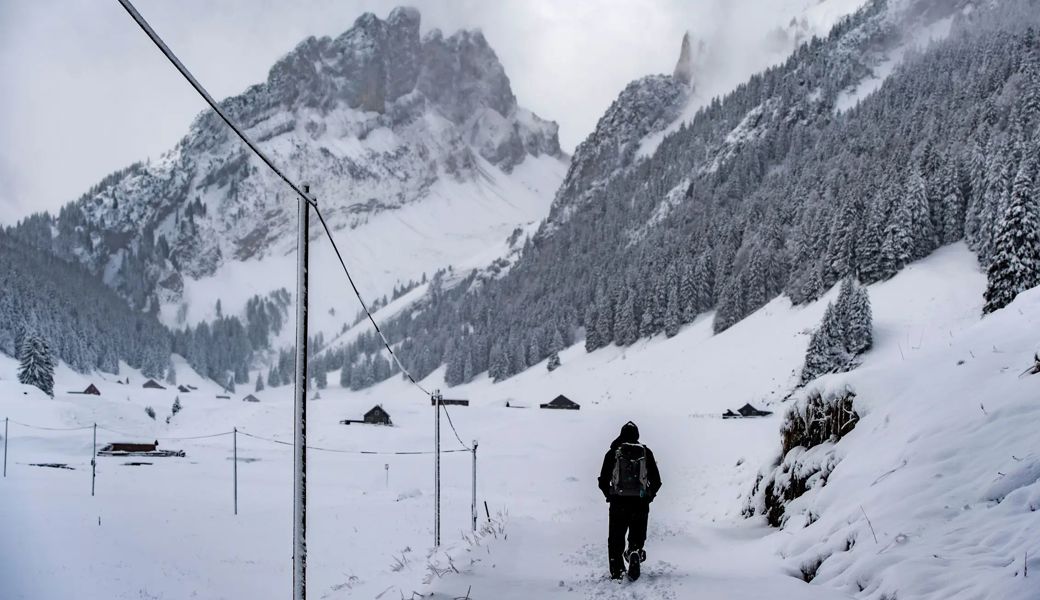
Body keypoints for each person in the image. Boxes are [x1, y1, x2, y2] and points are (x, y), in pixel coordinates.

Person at [597, 421, 662, 580]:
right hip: (640, 501)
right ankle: (634, 551)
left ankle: (617, 570)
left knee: (616, 537)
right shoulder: (645, 452)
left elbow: (603, 480)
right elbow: (657, 481)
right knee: (637, 534)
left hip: (618, 501)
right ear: (637, 435)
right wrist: (648, 497)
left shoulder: (613, 453)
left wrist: (609, 495)